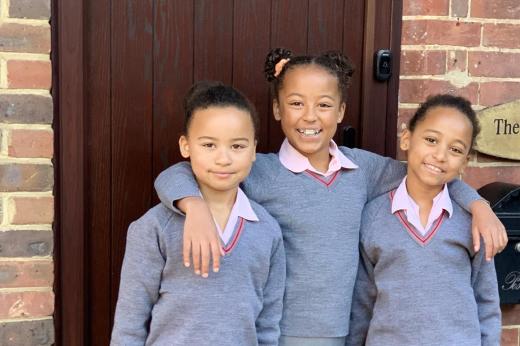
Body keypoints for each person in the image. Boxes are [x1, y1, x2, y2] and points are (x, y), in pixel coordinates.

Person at [154, 49, 506, 345]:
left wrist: (479, 205)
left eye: (323, 105)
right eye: (295, 103)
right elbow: (178, 173)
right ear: (277, 109)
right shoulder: (259, 169)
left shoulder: (361, 170)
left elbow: (429, 173)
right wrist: (193, 205)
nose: (310, 116)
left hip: (340, 333)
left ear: (340, 112)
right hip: (278, 331)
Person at [111, 81, 286, 346]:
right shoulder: (155, 227)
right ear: (186, 145)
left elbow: (267, 324)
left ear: (253, 150)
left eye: (237, 146)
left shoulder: (267, 230)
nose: (223, 158)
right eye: (209, 145)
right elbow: (130, 323)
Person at [346, 94, 501, 345]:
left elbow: (487, 302)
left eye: (455, 149)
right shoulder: (374, 217)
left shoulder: (473, 223)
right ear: (407, 139)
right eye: (431, 140)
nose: (440, 155)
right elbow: (362, 303)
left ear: (464, 161)